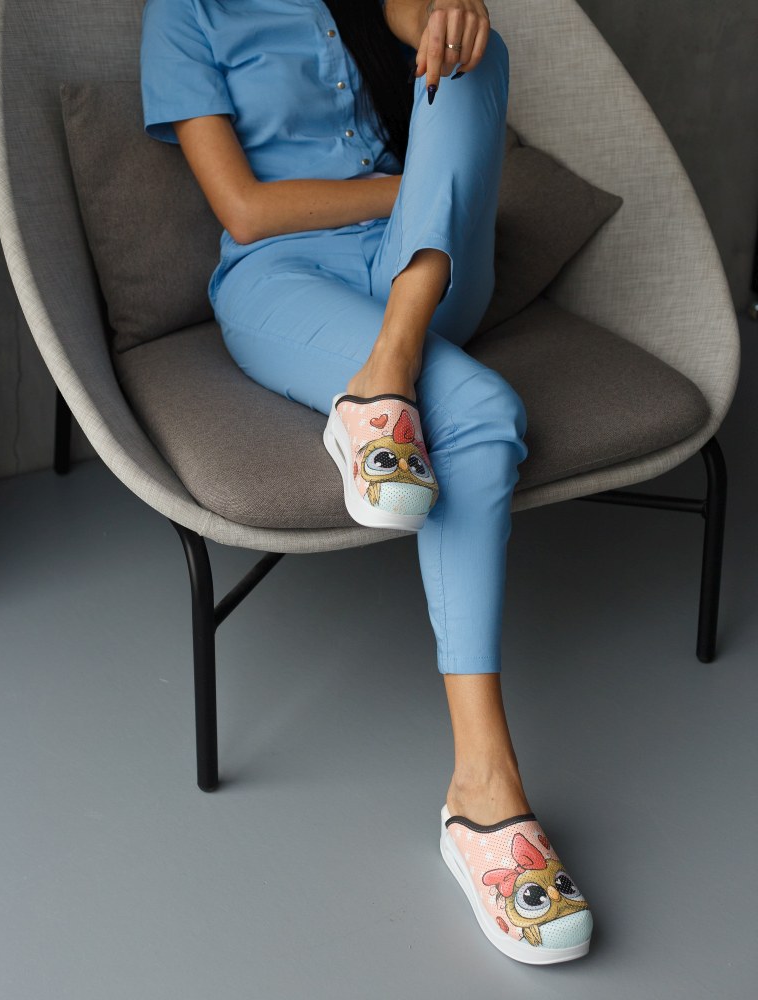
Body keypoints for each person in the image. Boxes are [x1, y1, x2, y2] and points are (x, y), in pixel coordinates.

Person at [141, 0, 593, 964]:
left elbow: (422, 20)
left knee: (475, 51)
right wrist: (421, 191)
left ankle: (386, 371)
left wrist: (446, 16)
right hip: (281, 278)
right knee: (481, 415)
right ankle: (484, 789)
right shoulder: (183, 13)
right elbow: (244, 210)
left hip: (419, 275)